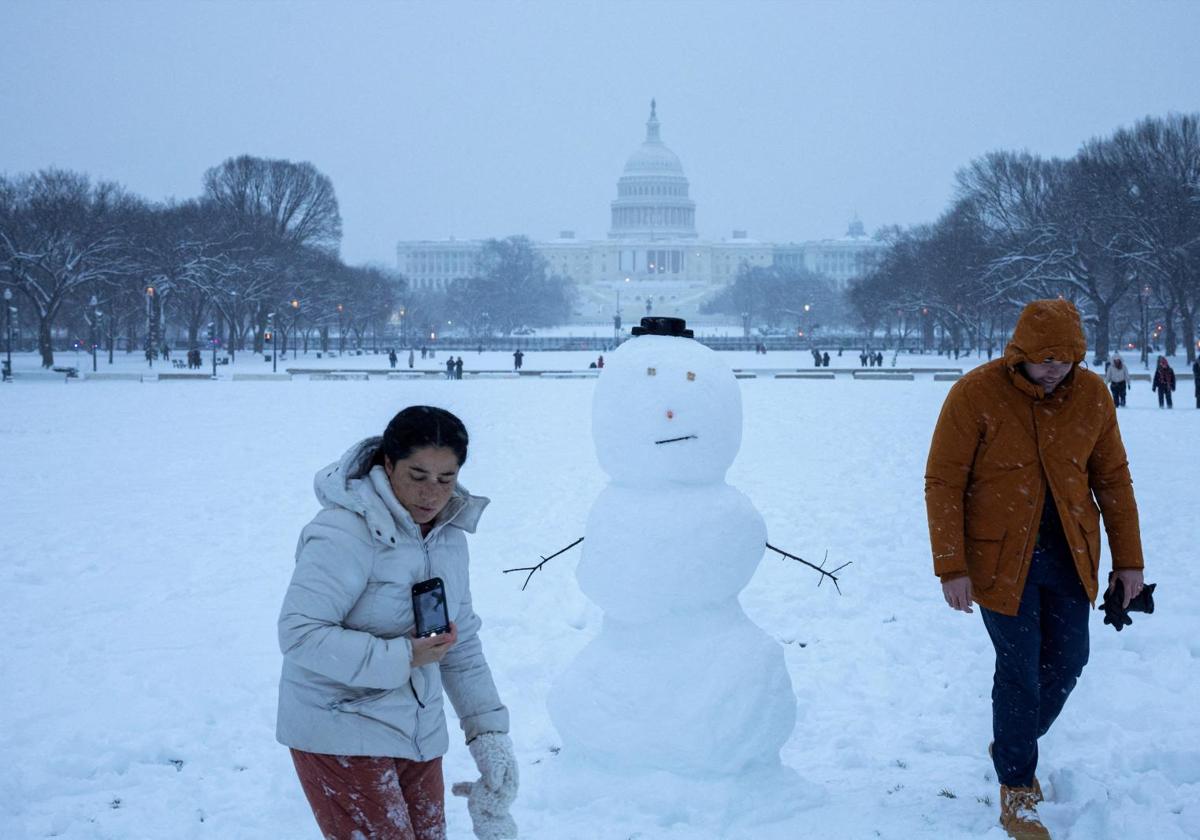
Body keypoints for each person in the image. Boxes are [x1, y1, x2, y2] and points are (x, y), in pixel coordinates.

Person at [924, 299, 1144, 839]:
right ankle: (1017, 790)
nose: (1054, 368)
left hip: (1071, 557)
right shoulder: (975, 394)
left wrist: (1129, 563)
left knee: (1070, 661)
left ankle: (1011, 743)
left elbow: (1113, 480)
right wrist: (951, 566)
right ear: (1019, 351)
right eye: (1043, 358)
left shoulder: (1091, 395)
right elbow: (943, 482)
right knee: (1019, 671)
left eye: (1065, 358)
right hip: (1000, 562)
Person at [277, 406, 518, 840]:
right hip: (340, 726)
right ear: (388, 464)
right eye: (418, 476)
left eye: (446, 479)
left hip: (417, 730)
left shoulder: (449, 537)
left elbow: (459, 645)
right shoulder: (343, 531)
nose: (432, 494)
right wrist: (403, 654)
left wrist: (489, 736)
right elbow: (299, 633)